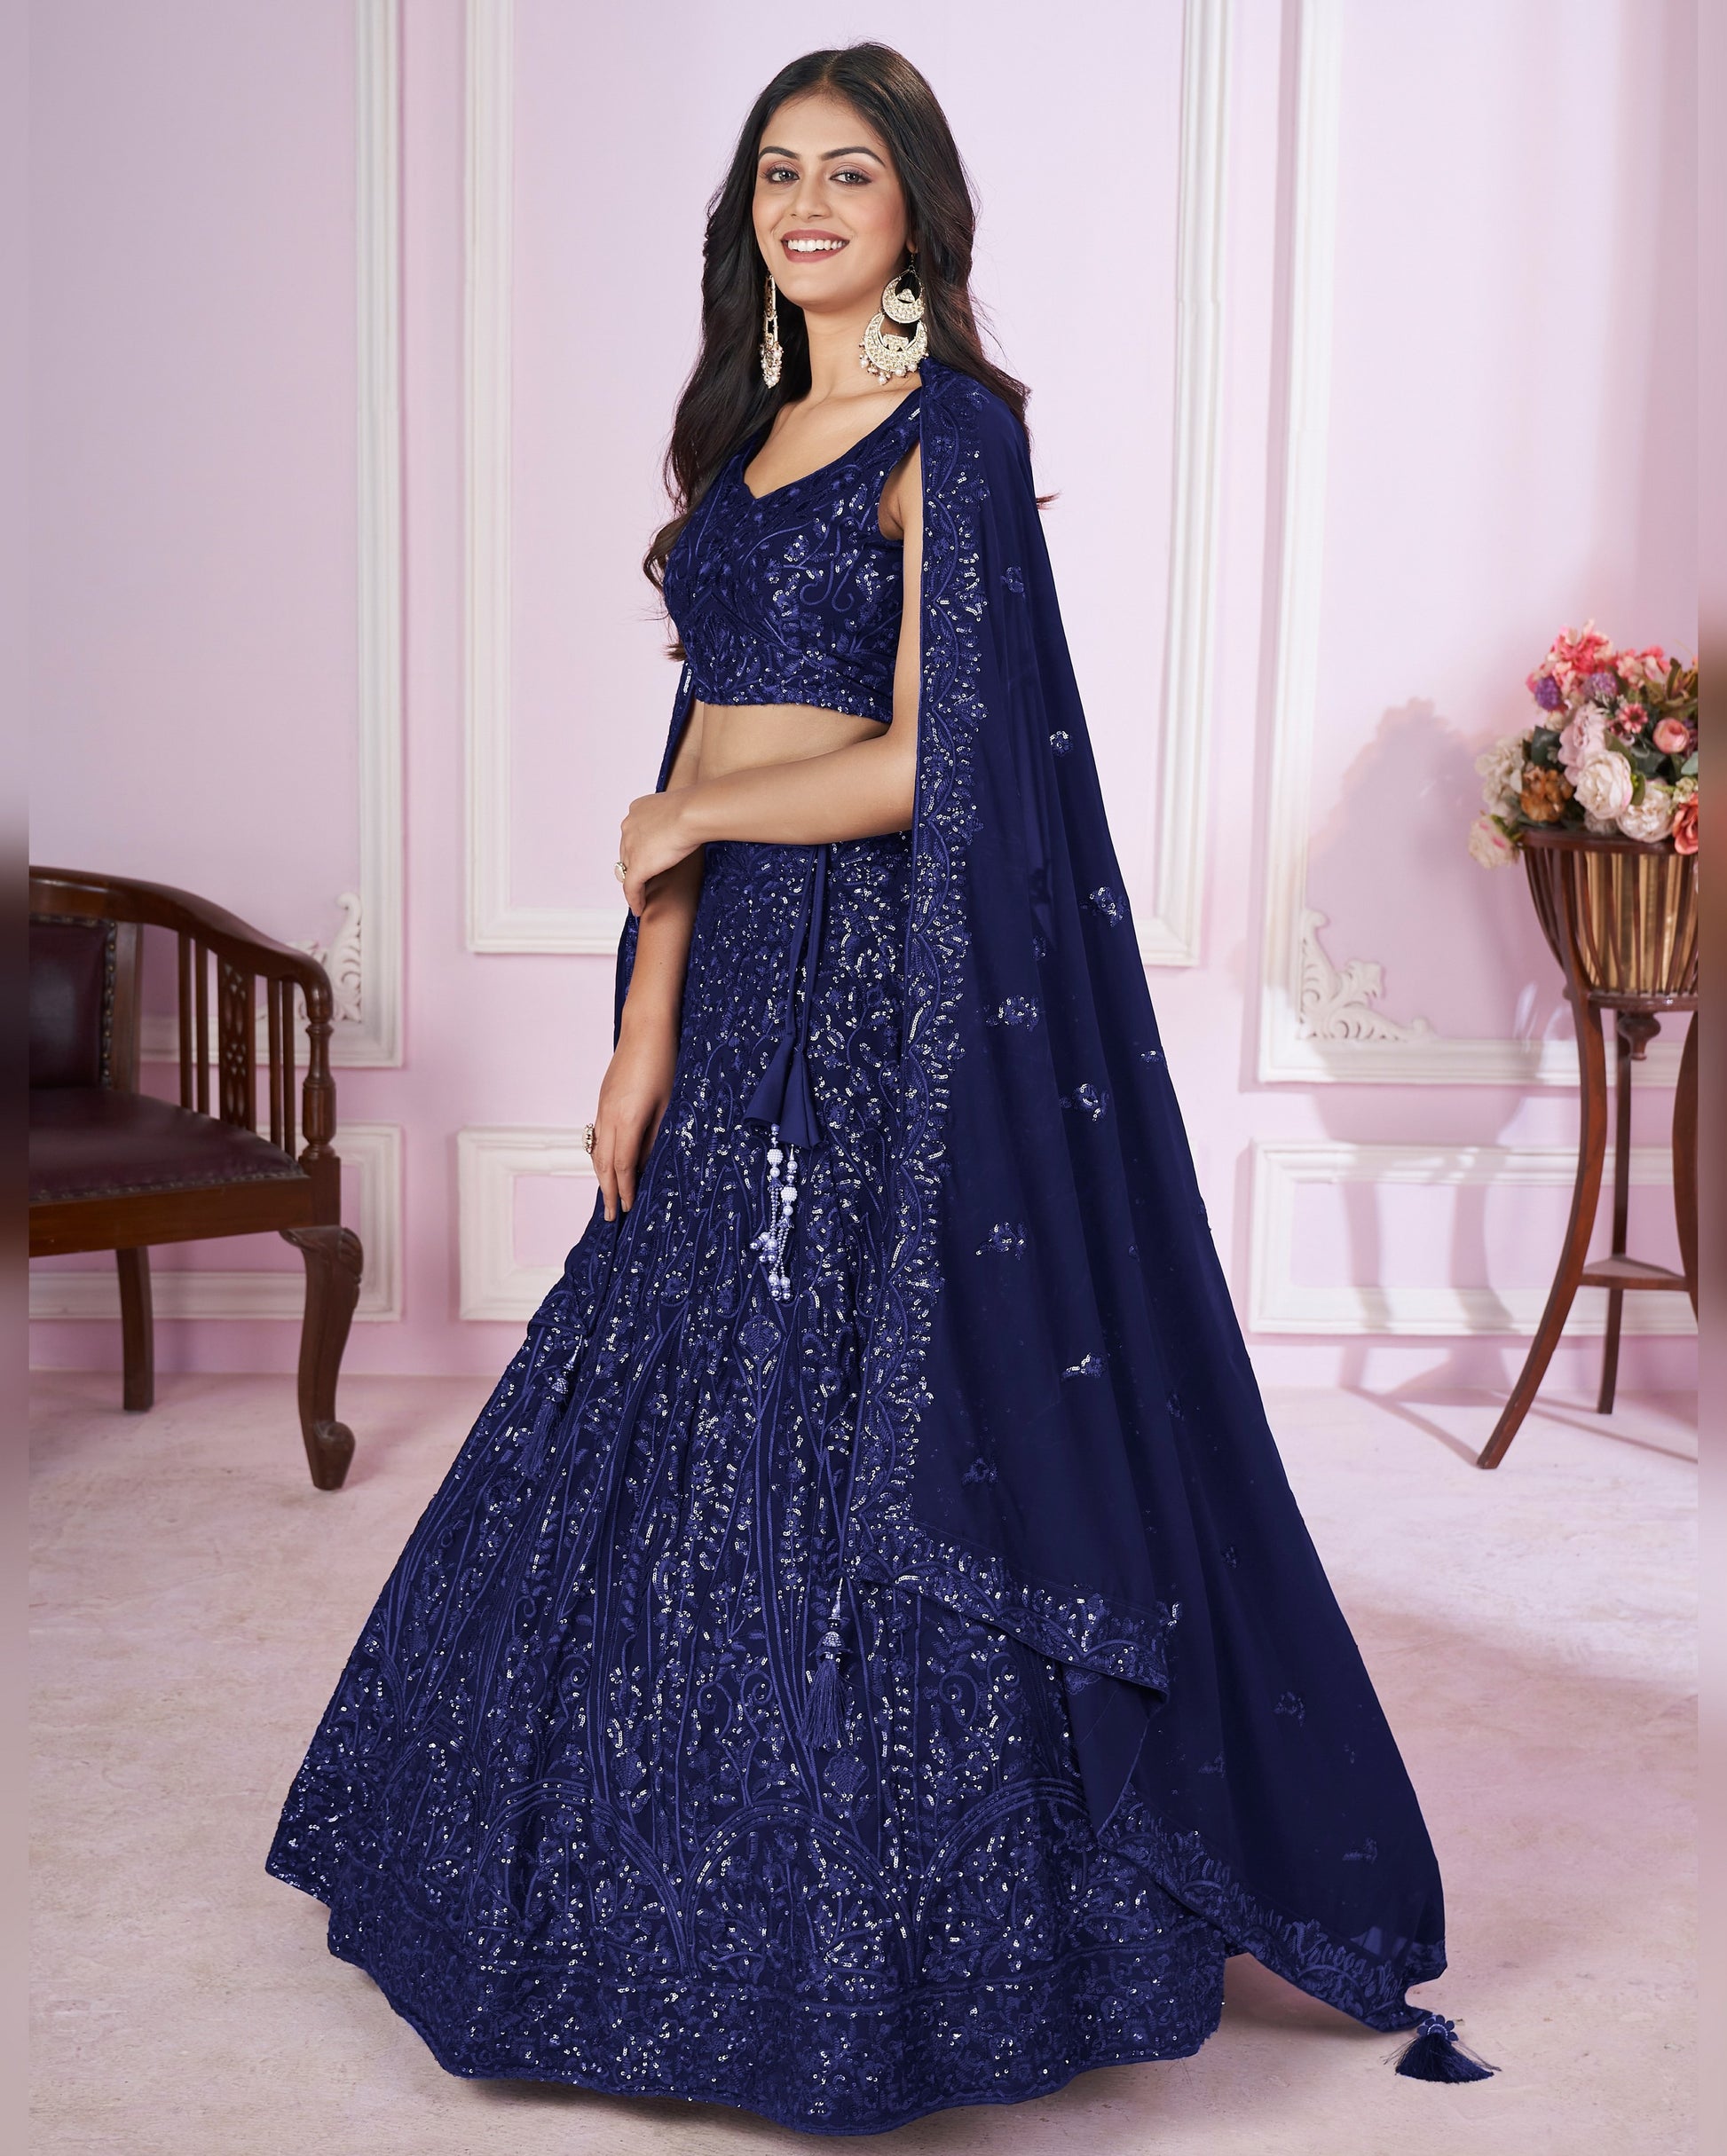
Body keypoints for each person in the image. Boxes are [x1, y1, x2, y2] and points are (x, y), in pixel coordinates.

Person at [268, 42, 1493, 2134]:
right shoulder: (744, 450)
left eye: (850, 172)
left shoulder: (954, 442)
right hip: (726, 977)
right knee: (660, 1374)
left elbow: (946, 759)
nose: (808, 202)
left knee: (866, 1390)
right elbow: (701, 749)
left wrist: (675, 838)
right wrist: (641, 1014)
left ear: (916, 210)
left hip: (873, 997)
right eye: (775, 173)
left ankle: (928, 1925)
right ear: (745, 218)